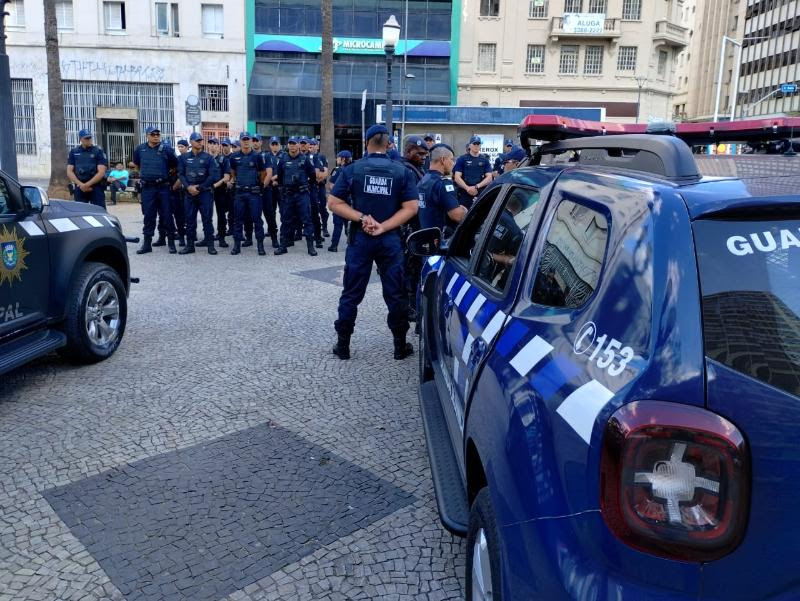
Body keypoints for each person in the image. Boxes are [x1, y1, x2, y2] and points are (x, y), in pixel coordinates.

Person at [328, 124, 420, 361]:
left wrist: (361, 218)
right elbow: (411, 208)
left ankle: (343, 345)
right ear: (388, 144)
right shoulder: (401, 171)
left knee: (351, 291)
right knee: (396, 293)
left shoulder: (353, 169)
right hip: (389, 239)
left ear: (366, 143)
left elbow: (334, 203)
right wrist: (385, 226)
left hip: (361, 238)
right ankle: (400, 346)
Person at [133, 125, 178, 254]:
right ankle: (147, 244)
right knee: (148, 215)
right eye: (153, 134)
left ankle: (171, 243)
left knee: (167, 215)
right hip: (147, 188)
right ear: (147, 135)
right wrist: (143, 175)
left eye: (158, 134)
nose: (156, 136)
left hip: (163, 187)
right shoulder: (140, 149)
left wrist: (165, 174)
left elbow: (175, 165)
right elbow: (136, 164)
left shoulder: (167, 149)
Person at [399, 135, 429, 321]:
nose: (423, 156)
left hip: (416, 226)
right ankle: (408, 307)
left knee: (415, 269)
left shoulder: (417, 169)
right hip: (408, 227)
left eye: (426, 154)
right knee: (409, 270)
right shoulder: (406, 170)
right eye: (419, 153)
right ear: (408, 152)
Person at [274, 136, 318, 256]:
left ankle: (310, 247)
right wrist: (283, 190)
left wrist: (306, 186)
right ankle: (283, 246)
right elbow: (280, 176)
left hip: (302, 194)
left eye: (295, 144)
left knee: (307, 220)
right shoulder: (283, 160)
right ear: (288, 145)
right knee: (285, 220)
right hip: (288, 195)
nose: (292, 146)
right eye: (290, 144)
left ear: (299, 145)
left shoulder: (305, 159)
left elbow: (313, 176)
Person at [228, 132, 268, 256]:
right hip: (240, 193)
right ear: (240, 141)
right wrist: (236, 180)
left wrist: (258, 185)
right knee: (238, 220)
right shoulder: (234, 157)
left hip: (253, 193)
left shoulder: (257, 156)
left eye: (248, 139)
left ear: (251, 141)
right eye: (243, 139)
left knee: (257, 220)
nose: (246, 141)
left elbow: (263, 173)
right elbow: (233, 171)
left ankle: (260, 246)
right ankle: (236, 246)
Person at [178, 132, 218, 255]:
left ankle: (210, 246)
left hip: (204, 193)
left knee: (207, 220)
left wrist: (199, 187)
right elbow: (181, 174)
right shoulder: (183, 158)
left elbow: (213, 176)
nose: (200, 142)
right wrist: (188, 187)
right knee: (190, 220)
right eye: (197, 140)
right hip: (189, 194)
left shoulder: (208, 158)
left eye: (201, 140)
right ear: (191, 142)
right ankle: (190, 246)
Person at [418, 143, 467, 234]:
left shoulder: (423, 180)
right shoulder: (443, 183)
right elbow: (457, 216)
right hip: (441, 239)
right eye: (452, 159)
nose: (453, 163)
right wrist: (465, 211)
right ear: (443, 160)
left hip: (425, 236)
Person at [67, 129, 108, 208]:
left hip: (96, 187)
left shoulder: (98, 151)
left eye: (89, 138)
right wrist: (81, 185)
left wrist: (87, 185)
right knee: (80, 213)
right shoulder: (74, 152)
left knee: (99, 212)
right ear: (80, 139)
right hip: (80, 187)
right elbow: (69, 171)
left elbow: (101, 172)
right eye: (86, 138)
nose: (88, 140)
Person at [453, 135, 493, 209]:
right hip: (464, 192)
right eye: (474, 144)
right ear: (470, 145)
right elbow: (457, 177)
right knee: (463, 216)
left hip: (479, 192)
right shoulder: (462, 159)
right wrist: (467, 188)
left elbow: (489, 177)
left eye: (478, 144)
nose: (476, 146)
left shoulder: (484, 160)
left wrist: (477, 186)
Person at [207, 137, 231, 248]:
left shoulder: (223, 160)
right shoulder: (205, 158)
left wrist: (215, 185)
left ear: (218, 146)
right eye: (210, 143)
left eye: (214, 143)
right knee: (206, 215)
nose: (212, 145)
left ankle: (221, 238)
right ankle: (208, 237)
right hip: (206, 191)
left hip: (220, 190)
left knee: (221, 215)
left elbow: (226, 177)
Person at [327, 150, 352, 252]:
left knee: (338, 224)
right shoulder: (352, 169)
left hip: (339, 202)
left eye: (338, 157)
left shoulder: (337, 170)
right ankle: (351, 244)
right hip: (349, 201)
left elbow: (332, 185)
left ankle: (334, 246)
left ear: (342, 159)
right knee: (348, 224)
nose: (336, 159)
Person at [306, 138, 326, 248]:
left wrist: (310, 176)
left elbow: (318, 174)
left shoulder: (316, 157)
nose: (309, 147)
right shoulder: (301, 157)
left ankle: (317, 238)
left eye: (312, 145)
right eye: (308, 144)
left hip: (312, 188)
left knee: (314, 214)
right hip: (302, 189)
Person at [309, 138, 331, 238]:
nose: (312, 146)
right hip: (310, 187)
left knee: (322, 207)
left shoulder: (321, 156)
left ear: (317, 146)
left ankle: (325, 228)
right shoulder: (306, 157)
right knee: (312, 209)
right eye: (310, 145)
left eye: (314, 145)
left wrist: (317, 177)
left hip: (320, 186)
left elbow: (325, 173)